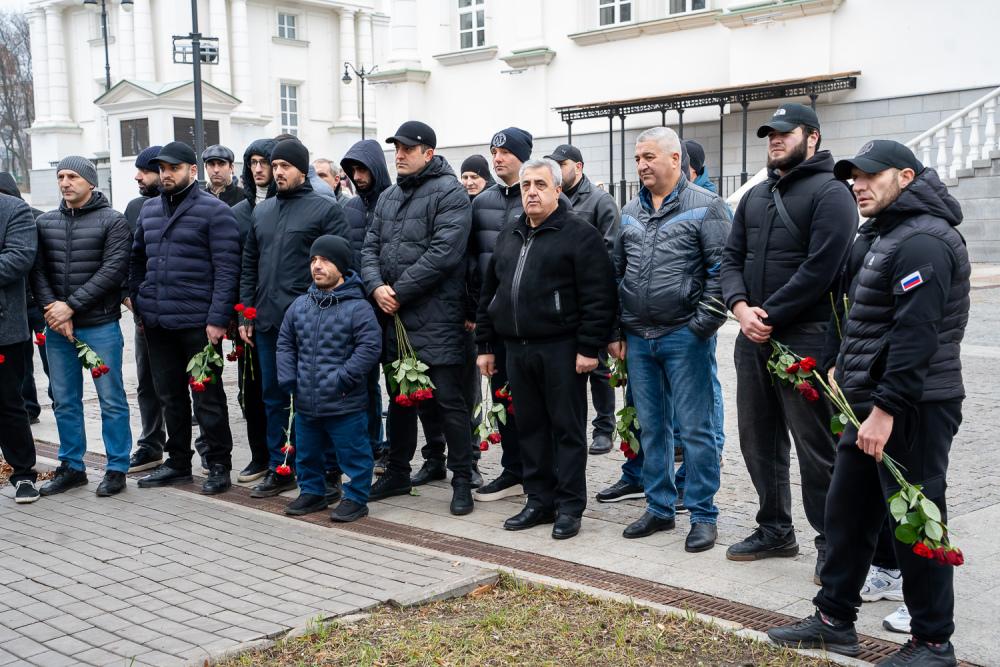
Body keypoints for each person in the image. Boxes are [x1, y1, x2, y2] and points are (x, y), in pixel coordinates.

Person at [769, 140, 969, 665]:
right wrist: (838, 362)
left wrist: (885, 410)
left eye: (869, 176)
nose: (857, 185)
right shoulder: (880, 234)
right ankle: (834, 620)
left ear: (905, 177)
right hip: (868, 401)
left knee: (915, 521)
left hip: (913, 406)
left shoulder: (924, 241)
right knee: (849, 512)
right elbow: (856, 313)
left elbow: (916, 336)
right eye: (853, 176)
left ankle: (933, 643)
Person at [719, 103, 856, 576]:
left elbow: (821, 269)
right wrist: (740, 308)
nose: (774, 140)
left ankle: (832, 544)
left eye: (784, 132)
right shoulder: (756, 194)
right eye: (769, 134)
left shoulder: (833, 192)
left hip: (806, 340)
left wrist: (769, 315)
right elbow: (730, 258)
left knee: (816, 450)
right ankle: (775, 529)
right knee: (758, 441)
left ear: (812, 137)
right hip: (752, 337)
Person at [477, 158, 616, 540]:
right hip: (516, 349)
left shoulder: (580, 234)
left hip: (561, 348)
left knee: (566, 430)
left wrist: (588, 347)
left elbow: (599, 296)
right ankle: (539, 500)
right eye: (526, 185)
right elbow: (490, 293)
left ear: (557, 189)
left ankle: (569, 506)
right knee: (530, 428)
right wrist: (485, 344)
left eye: (540, 184)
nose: (532, 192)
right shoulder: (510, 233)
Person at [606, 127, 729, 552]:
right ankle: (659, 508)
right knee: (653, 428)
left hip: (684, 337)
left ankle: (703, 514)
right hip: (639, 338)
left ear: (675, 158)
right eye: (638, 158)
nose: (641, 165)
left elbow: (721, 273)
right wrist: (616, 331)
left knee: (695, 430)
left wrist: (700, 328)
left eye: (649, 157)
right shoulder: (629, 212)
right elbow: (616, 272)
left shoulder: (707, 207)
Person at [362, 120, 476, 516]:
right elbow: (369, 247)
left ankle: (462, 479)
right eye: (397, 148)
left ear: (429, 153)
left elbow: (444, 253)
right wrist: (376, 286)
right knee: (400, 400)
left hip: (437, 317)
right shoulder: (389, 196)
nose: (399, 155)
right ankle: (397, 471)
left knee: (449, 402)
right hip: (395, 319)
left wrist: (397, 292)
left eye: (408, 149)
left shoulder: (450, 193)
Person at [240, 138, 350, 499]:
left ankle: (328, 472)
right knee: (274, 397)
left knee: (319, 398)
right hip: (268, 321)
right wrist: (246, 313)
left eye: (284, 166)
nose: (277, 172)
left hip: (313, 322)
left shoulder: (325, 209)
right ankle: (281, 467)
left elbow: (339, 265)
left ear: (302, 169)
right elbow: (249, 265)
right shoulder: (262, 212)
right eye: (274, 166)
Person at [129, 141, 240, 495]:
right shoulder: (149, 210)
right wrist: (138, 300)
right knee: (170, 397)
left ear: (192, 171)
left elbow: (227, 270)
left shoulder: (215, 211)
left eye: (173, 168)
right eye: (162, 169)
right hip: (157, 322)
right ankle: (177, 462)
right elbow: (136, 259)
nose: (166, 175)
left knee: (207, 397)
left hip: (197, 324)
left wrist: (218, 319)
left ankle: (219, 464)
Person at [30, 157, 133, 498]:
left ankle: (116, 467)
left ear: (90, 181)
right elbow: (37, 271)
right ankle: (72, 466)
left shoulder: (113, 221)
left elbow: (112, 270)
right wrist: (54, 311)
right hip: (58, 329)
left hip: (100, 325)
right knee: (64, 400)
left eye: (72, 176)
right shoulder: (45, 223)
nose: (65, 182)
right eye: (61, 176)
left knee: (111, 399)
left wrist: (70, 306)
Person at [277, 235, 381, 520]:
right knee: (307, 452)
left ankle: (356, 498)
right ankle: (312, 492)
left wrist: (342, 379)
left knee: (354, 453)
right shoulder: (300, 304)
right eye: (313, 260)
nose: (317, 266)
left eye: (324, 260)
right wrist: (289, 377)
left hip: (344, 401)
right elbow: (285, 342)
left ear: (341, 266)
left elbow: (369, 348)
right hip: (306, 400)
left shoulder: (358, 307)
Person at [469, 127, 532, 503]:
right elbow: (470, 262)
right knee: (502, 397)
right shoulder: (481, 203)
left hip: (534, 323)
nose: (498, 158)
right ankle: (513, 469)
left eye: (506, 152)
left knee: (534, 402)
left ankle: (541, 472)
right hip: (495, 318)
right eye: (494, 152)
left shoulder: (540, 195)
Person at [546, 143, 620, 455]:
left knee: (599, 367)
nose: (557, 169)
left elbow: (612, 251)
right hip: (561, 302)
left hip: (590, 298)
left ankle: (604, 427)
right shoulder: (552, 197)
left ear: (578, 166)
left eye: (562, 164)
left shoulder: (600, 201)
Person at [340, 140, 393, 470]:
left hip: (393, 305)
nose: (358, 177)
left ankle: (395, 449)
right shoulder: (349, 209)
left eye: (363, 169)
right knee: (365, 381)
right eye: (353, 171)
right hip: (360, 309)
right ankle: (372, 443)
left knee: (397, 382)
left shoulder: (394, 201)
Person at [227, 138, 276, 483]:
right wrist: (240, 314)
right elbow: (235, 268)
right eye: (253, 163)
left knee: (281, 390)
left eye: (265, 162)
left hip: (280, 313)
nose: (258, 169)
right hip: (248, 315)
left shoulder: (285, 205)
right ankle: (260, 455)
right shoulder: (238, 213)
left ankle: (285, 456)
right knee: (251, 390)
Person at [122, 145, 169, 474]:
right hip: (145, 314)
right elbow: (127, 257)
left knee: (196, 384)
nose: (138, 177)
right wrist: (129, 296)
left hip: (185, 314)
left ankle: (207, 452)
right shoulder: (135, 208)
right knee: (147, 383)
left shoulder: (193, 205)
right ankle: (151, 445)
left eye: (145, 171)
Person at [0, 185, 40, 503]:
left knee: (8, 403)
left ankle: (24, 474)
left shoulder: (14, 209)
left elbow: (19, 258)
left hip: (3, 329)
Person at [0, 173, 48, 425]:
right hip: (13, 306)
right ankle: (29, 407)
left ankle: (53, 400)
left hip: (38, 303)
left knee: (49, 358)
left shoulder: (37, 218)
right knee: (24, 363)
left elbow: (29, 260)